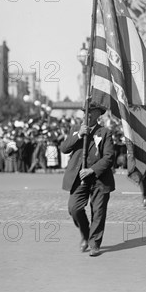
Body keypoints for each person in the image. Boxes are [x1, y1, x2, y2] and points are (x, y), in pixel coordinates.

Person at [61, 103, 115, 257]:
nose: (88, 114)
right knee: (74, 208)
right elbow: (64, 149)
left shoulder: (105, 132)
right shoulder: (75, 130)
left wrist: (92, 169)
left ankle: (94, 243)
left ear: (98, 114)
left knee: (98, 211)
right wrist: (79, 135)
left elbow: (109, 157)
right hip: (79, 178)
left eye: (91, 112)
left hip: (99, 178)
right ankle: (85, 234)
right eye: (85, 112)